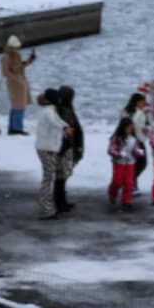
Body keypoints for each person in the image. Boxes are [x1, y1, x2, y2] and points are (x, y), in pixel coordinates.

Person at [34, 88, 70, 220]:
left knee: (48, 177)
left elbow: (57, 121)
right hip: (47, 148)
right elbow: (54, 122)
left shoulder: (49, 110)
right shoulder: (48, 111)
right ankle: (46, 207)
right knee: (48, 178)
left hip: (48, 148)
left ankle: (48, 207)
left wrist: (65, 126)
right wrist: (65, 128)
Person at [55, 85, 85, 214]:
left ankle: (61, 201)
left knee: (62, 176)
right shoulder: (63, 110)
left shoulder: (63, 109)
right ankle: (59, 202)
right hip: (64, 148)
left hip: (67, 147)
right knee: (61, 177)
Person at [1, 35, 36, 135]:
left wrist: (30, 60)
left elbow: (20, 66)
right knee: (18, 106)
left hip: (20, 82)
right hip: (14, 84)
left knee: (18, 106)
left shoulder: (15, 55)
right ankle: (16, 129)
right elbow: (5, 72)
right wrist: (17, 79)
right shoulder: (6, 57)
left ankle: (14, 128)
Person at [107, 117, 144, 212]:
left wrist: (139, 152)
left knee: (129, 183)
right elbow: (111, 150)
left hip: (130, 163)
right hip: (119, 163)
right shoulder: (116, 138)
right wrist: (119, 154)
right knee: (117, 181)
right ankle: (112, 193)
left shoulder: (133, 139)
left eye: (131, 127)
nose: (130, 129)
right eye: (128, 127)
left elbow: (135, 150)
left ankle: (127, 201)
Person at [121, 93, 150, 192]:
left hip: (140, 140)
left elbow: (148, 124)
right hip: (130, 140)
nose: (144, 103)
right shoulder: (127, 112)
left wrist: (147, 129)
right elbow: (128, 123)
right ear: (137, 102)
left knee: (142, 163)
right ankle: (130, 183)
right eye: (142, 101)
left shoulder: (143, 112)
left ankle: (131, 182)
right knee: (135, 163)